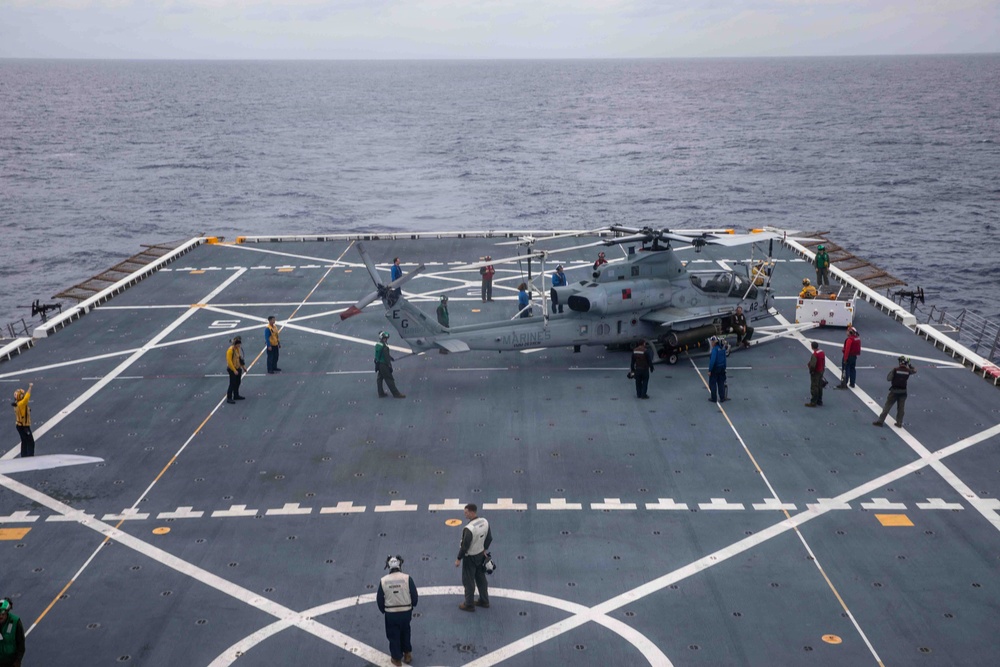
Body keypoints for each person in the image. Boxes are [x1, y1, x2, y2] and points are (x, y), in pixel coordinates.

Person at [377, 555, 418, 666]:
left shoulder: (383, 581)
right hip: (406, 612)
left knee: (393, 635)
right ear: (400, 565)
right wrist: (412, 606)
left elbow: (380, 600)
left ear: (388, 566)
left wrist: (384, 611)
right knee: (406, 631)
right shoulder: (407, 578)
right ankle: (407, 654)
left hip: (391, 614)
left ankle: (396, 659)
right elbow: (414, 596)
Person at [456, 503, 492, 612]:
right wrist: (484, 550)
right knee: (481, 579)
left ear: (472, 512)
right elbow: (489, 538)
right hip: (481, 555)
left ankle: (469, 604)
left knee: (468, 581)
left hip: (470, 558)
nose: (465, 515)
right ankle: (484, 600)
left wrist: (458, 558)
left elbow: (465, 546)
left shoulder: (469, 528)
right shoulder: (485, 522)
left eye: (466, 513)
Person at [873, 356, 917, 427]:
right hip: (903, 392)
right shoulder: (908, 371)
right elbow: (915, 370)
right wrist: (910, 365)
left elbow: (888, 378)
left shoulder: (895, 370)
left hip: (894, 391)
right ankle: (899, 423)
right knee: (901, 408)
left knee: (887, 407)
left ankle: (880, 421)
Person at [375, 331, 405, 399]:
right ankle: (396, 394)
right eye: (385, 338)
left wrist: (390, 357)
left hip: (378, 363)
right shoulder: (385, 347)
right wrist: (389, 365)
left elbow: (381, 354)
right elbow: (386, 357)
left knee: (380, 378)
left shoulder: (378, 344)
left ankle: (381, 393)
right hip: (384, 365)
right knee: (389, 379)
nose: (386, 339)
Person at [0, 598, 25, 667]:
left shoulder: (15, 622)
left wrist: (18, 660)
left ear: (7, 612)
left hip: (12, 662)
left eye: (2, 614)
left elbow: (21, 643)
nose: (0, 616)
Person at [11, 384, 34, 458]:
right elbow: (27, 397)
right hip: (24, 426)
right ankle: (30, 457)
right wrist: (30, 387)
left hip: (19, 426)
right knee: (30, 442)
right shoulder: (21, 404)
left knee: (24, 441)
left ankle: (23, 456)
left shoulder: (16, 403)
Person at [226, 337, 247, 404]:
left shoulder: (237, 349)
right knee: (232, 383)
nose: (239, 346)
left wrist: (243, 367)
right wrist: (234, 370)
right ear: (235, 344)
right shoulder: (230, 351)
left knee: (238, 382)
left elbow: (239, 358)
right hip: (232, 369)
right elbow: (229, 362)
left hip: (238, 368)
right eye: (238, 344)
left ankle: (236, 395)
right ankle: (229, 397)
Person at [805, 341, 825, 407]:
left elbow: (813, 365)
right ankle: (819, 400)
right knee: (820, 386)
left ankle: (813, 402)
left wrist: (811, 371)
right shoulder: (822, 352)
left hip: (816, 372)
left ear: (812, 346)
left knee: (814, 387)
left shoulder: (815, 354)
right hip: (821, 371)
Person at [708, 336, 727, 403]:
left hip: (715, 369)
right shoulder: (722, 349)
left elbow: (712, 361)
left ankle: (714, 398)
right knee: (721, 383)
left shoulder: (715, 350)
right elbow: (725, 359)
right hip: (722, 368)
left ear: (714, 342)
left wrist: (710, 370)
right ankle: (722, 397)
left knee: (712, 384)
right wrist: (724, 368)